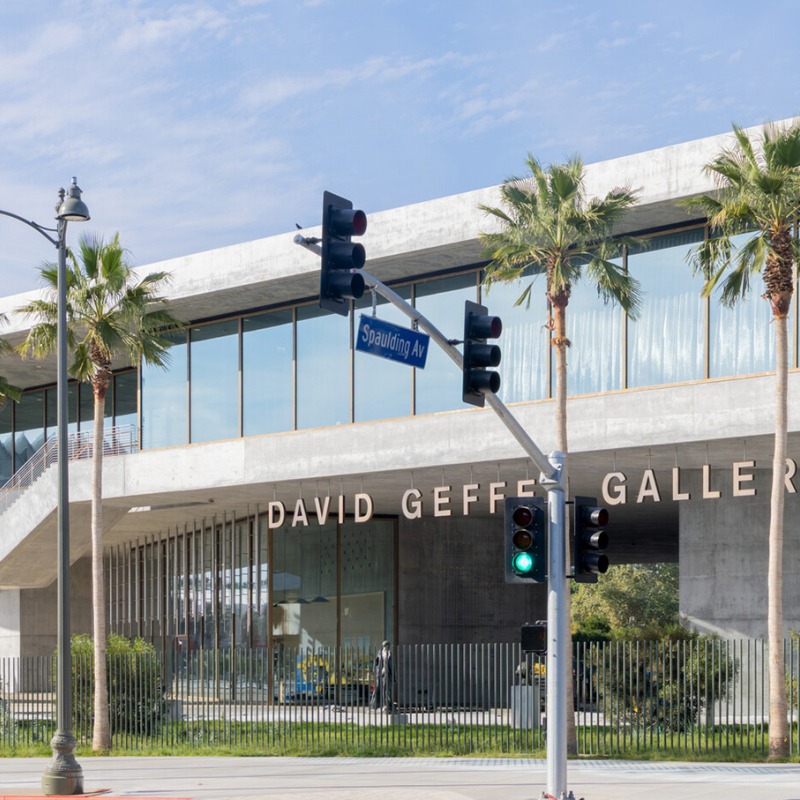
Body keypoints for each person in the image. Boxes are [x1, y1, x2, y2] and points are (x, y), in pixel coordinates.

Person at [370, 640, 392, 711]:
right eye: (386, 645)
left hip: (386, 674)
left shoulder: (390, 654)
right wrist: (375, 672)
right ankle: (374, 705)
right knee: (377, 689)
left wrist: (394, 676)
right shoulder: (379, 654)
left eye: (388, 645)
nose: (388, 647)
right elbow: (375, 664)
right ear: (383, 646)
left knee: (386, 690)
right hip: (379, 674)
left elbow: (392, 666)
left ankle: (386, 705)